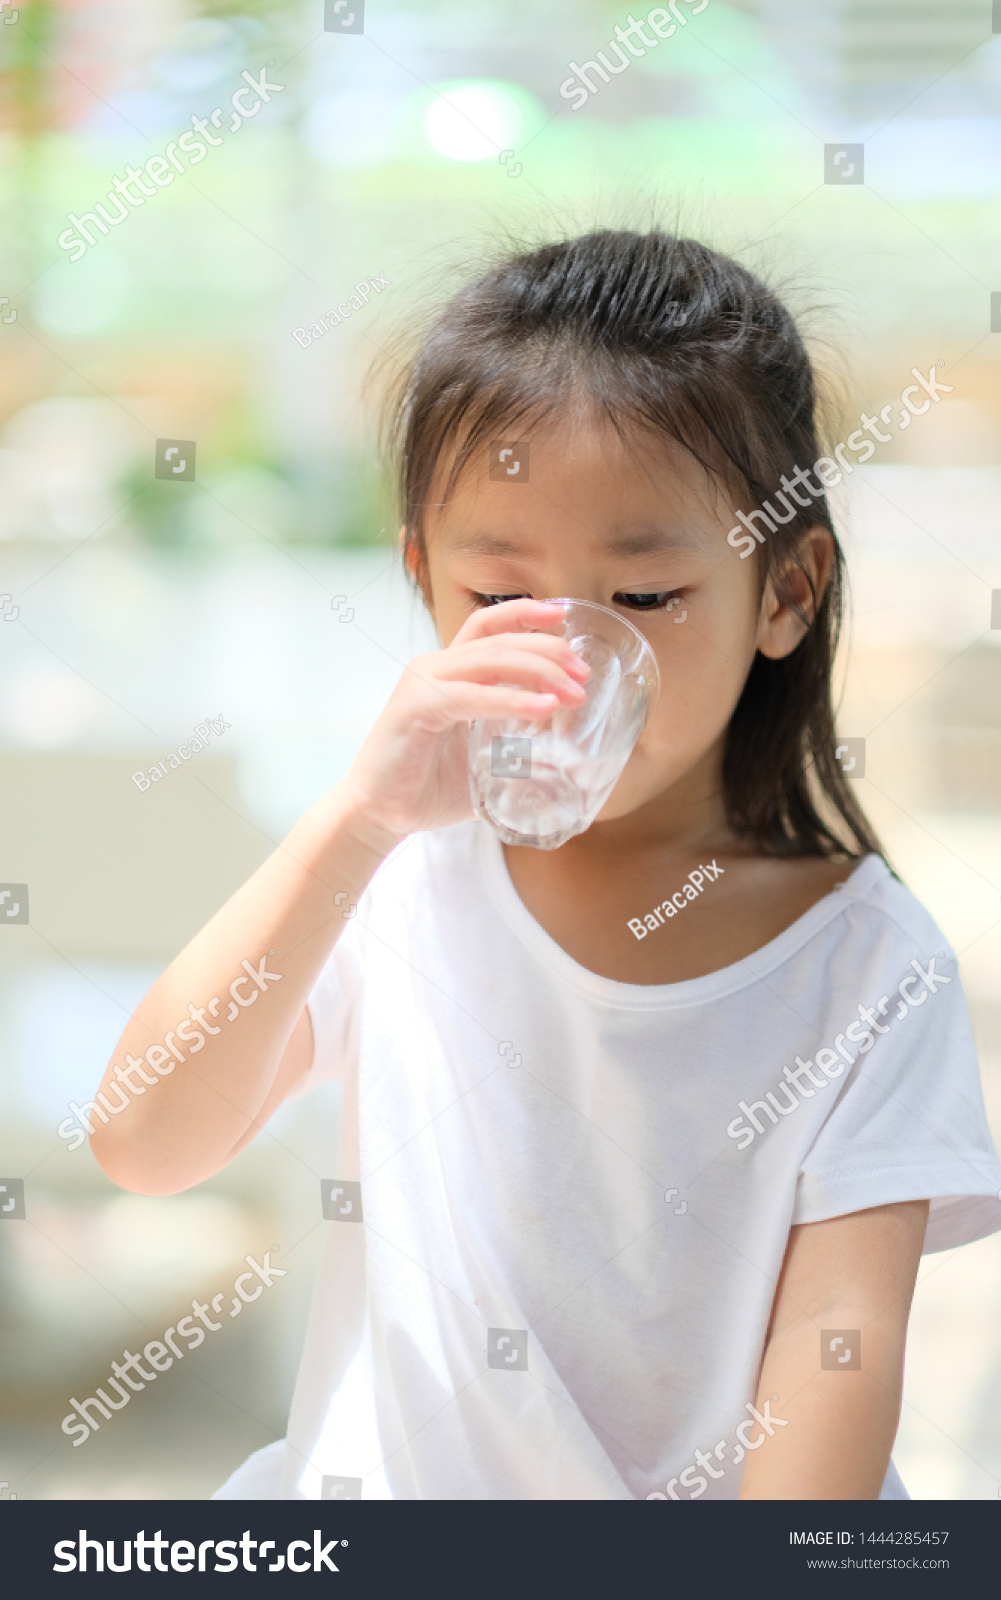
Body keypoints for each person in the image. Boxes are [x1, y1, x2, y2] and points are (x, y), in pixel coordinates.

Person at [92, 229, 1001, 1500]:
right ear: (421, 578)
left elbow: (834, 1366)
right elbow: (146, 1140)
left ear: (785, 591)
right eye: (500, 601)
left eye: (640, 600)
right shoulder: (402, 876)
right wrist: (354, 819)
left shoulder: (861, 963)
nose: (570, 665)